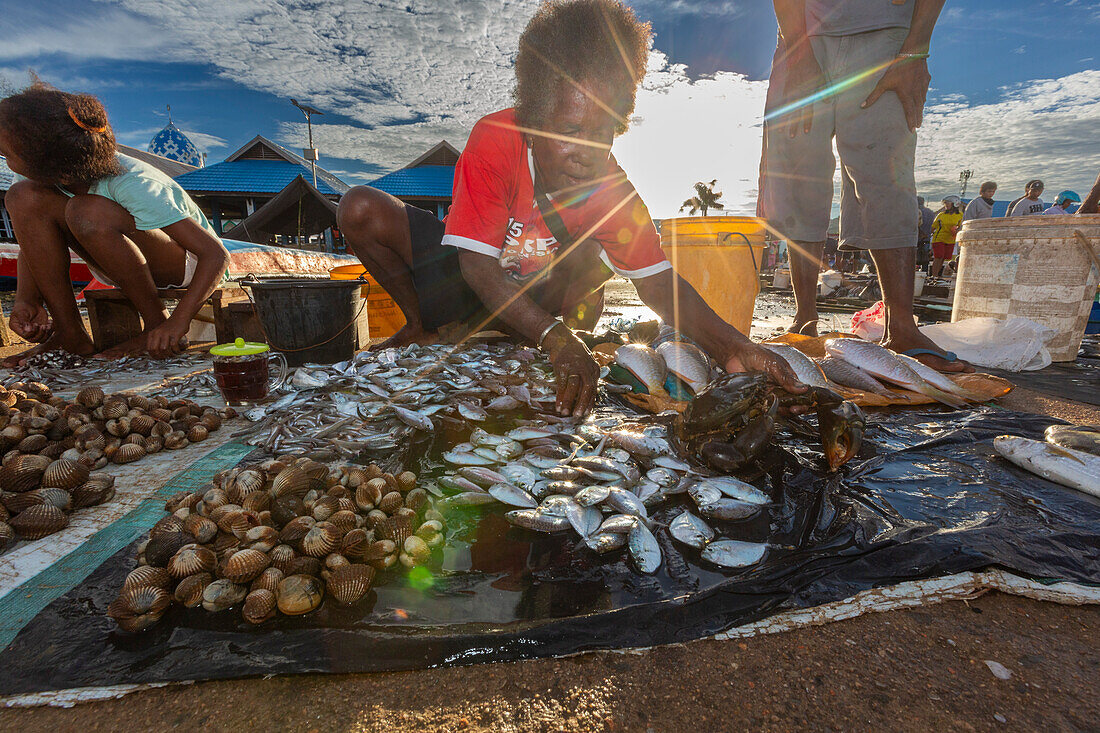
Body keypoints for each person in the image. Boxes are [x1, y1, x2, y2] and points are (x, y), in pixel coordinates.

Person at [337, 0, 804, 419]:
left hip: (536, 299)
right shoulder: (496, 139)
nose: (586, 152)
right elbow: (477, 265)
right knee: (357, 206)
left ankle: (527, 332)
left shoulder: (612, 189)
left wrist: (736, 349)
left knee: (604, 267)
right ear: (534, 122)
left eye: (601, 133)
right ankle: (420, 327)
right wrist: (557, 340)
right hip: (468, 281)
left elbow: (659, 284)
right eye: (568, 131)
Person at [759, 0, 971, 372]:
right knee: (797, 179)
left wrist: (915, 50)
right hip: (801, 36)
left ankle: (902, 327)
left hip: (887, 38)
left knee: (886, 175)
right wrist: (799, 49)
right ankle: (805, 320)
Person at [0, 83, 230, 365]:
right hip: (113, 260)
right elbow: (33, 242)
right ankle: (69, 333)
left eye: (7, 155)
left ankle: (155, 321)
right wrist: (26, 299)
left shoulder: (134, 181)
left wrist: (177, 323)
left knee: (86, 211)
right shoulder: (35, 180)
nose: (7, 163)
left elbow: (216, 254)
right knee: (22, 197)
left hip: (184, 265)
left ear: (52, 166)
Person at [929, 195, 962, 278]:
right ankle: (934, 276)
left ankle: (937, 275)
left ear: (955, 204)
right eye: (945, 203)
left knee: (944, 258)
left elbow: (961, 226)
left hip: (950, 239)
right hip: (939, 238)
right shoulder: (941, 215)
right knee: (938, 257)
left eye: (947, 203)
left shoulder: (960, 215)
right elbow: (933, 227)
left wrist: (957, 230)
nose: (946, 205)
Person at [916, 196, 934, 268]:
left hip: (916, 238)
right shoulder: (930, 212)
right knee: (925, 258)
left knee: (913, 257)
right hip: (926, 239)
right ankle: (924, 274)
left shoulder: (915, 211)